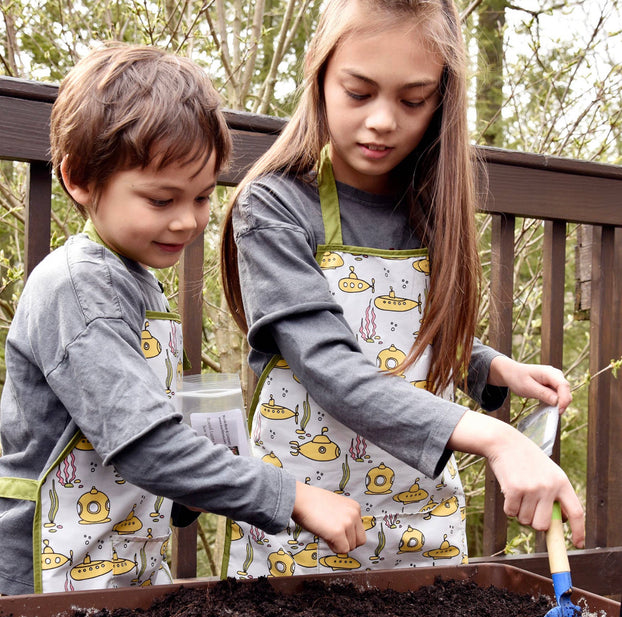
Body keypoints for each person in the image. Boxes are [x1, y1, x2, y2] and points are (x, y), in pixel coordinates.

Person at [0, 43, 365, 598]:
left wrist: (188, 491)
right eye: (161, 200)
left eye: (203, 196)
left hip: (101, 565)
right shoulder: (79, 286)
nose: (187, 220)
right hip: (14, 583)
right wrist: (292, 496)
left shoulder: (133, 279)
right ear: (81, 180)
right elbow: (143, 446)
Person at [219, 0, 585, 579]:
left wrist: (487, 367)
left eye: (412, 99)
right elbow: (331, 364)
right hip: (306, 537)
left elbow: (402, 335)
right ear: (319, 74)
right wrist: (494, 438)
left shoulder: (429, 207)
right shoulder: (274, 206)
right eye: (359, 92)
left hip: (423, 528)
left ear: (441, 100)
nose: (384, 120)